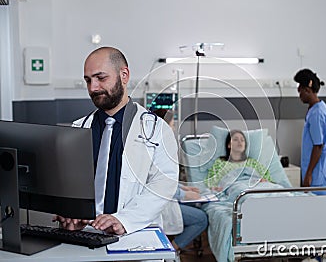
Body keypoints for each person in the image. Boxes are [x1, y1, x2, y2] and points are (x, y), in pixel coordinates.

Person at [54, 46, 179, 235]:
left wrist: (125, 220)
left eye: (101, 78)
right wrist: (70, 213)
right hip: (86, 233)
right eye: (88, 80)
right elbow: (69, 185)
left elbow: (163, 184)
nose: (93, 88)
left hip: (134, 233)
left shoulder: (156, 130)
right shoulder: (78, 129)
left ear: (124, 75)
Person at [153, 108, 208, 252]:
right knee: (201, 219)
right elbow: (158, 184)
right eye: (172, 124)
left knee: (198, 206)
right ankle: (172, 250)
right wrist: (184, 195)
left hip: (167, 198)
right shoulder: (157, 150)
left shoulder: (162, 146)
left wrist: (184, 188)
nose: (174, 128)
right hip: (161, 205)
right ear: (164, 125)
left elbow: (166, 179)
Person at [294, 68, 326, 195]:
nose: (299, 96)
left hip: (320, 171)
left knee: (321, 208)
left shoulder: (317, 114)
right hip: (321, 168)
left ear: (308, 90)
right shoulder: (317, 108)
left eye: (300, 92)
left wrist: (309, 174)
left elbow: (318, 146)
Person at [205, 130, 273, 192]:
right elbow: (211, 182)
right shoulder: (220, 163)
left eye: (242, 140)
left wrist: (264, 181)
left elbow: (267, 180)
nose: (239, 142)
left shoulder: (253, 163)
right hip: (237, 189)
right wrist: (215, 188)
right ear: (229, 145)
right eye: (235, 139)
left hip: (257, 188)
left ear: (245, 145)